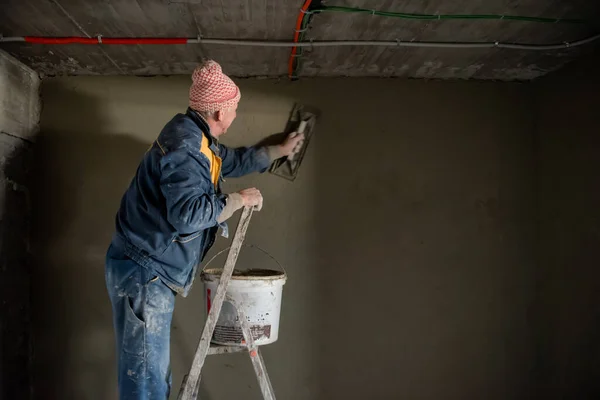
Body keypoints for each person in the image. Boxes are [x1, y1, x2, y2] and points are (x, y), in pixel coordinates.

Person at [104, 60, 303, 399]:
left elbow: (230, 160)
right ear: (217, 112)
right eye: (234, 108)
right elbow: (187, 216)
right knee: (145, 380)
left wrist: (276, 151)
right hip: (144, 272)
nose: (236, 115)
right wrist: (238, 199)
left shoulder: (196, 136)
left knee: (151, 374)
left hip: (147, 267)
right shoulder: (186, 147)